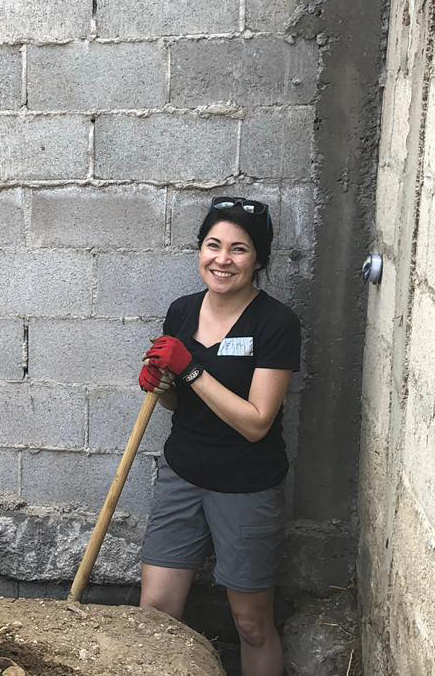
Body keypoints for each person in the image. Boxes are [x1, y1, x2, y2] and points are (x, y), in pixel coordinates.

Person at [136, 196, 300, 676]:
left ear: (259, 259)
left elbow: (256, 422)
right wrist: (160, 384)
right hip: (181, 474)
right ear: (199, 249)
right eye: (213, 245)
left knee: (251, 624)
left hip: (246, 486)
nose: (222, 259)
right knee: (156, 615)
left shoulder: (276, 323)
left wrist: (189, 370)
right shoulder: (183, 312)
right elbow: (177, 401)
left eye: (239, 249)